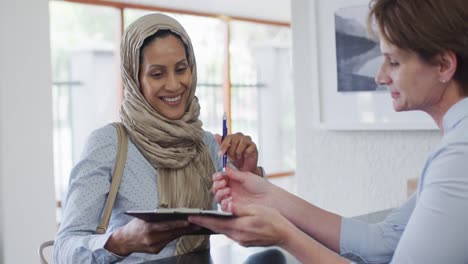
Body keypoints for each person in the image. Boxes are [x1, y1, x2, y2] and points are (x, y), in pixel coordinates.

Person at [188, 0, 468, 263]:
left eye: (393, 62)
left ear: (444, 65)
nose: (380, 76)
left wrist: (285, 236)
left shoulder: (459, 154)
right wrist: (269, 196)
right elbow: (382, 240)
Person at [54, 13, 263, 263]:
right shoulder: (108, 143)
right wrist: (123, 241)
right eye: (157, 74)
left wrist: (250, 177)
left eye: (181, 69)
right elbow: (64, 248)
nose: (174, 85)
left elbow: (257, 229)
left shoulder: (207, 145)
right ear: (135, 79)